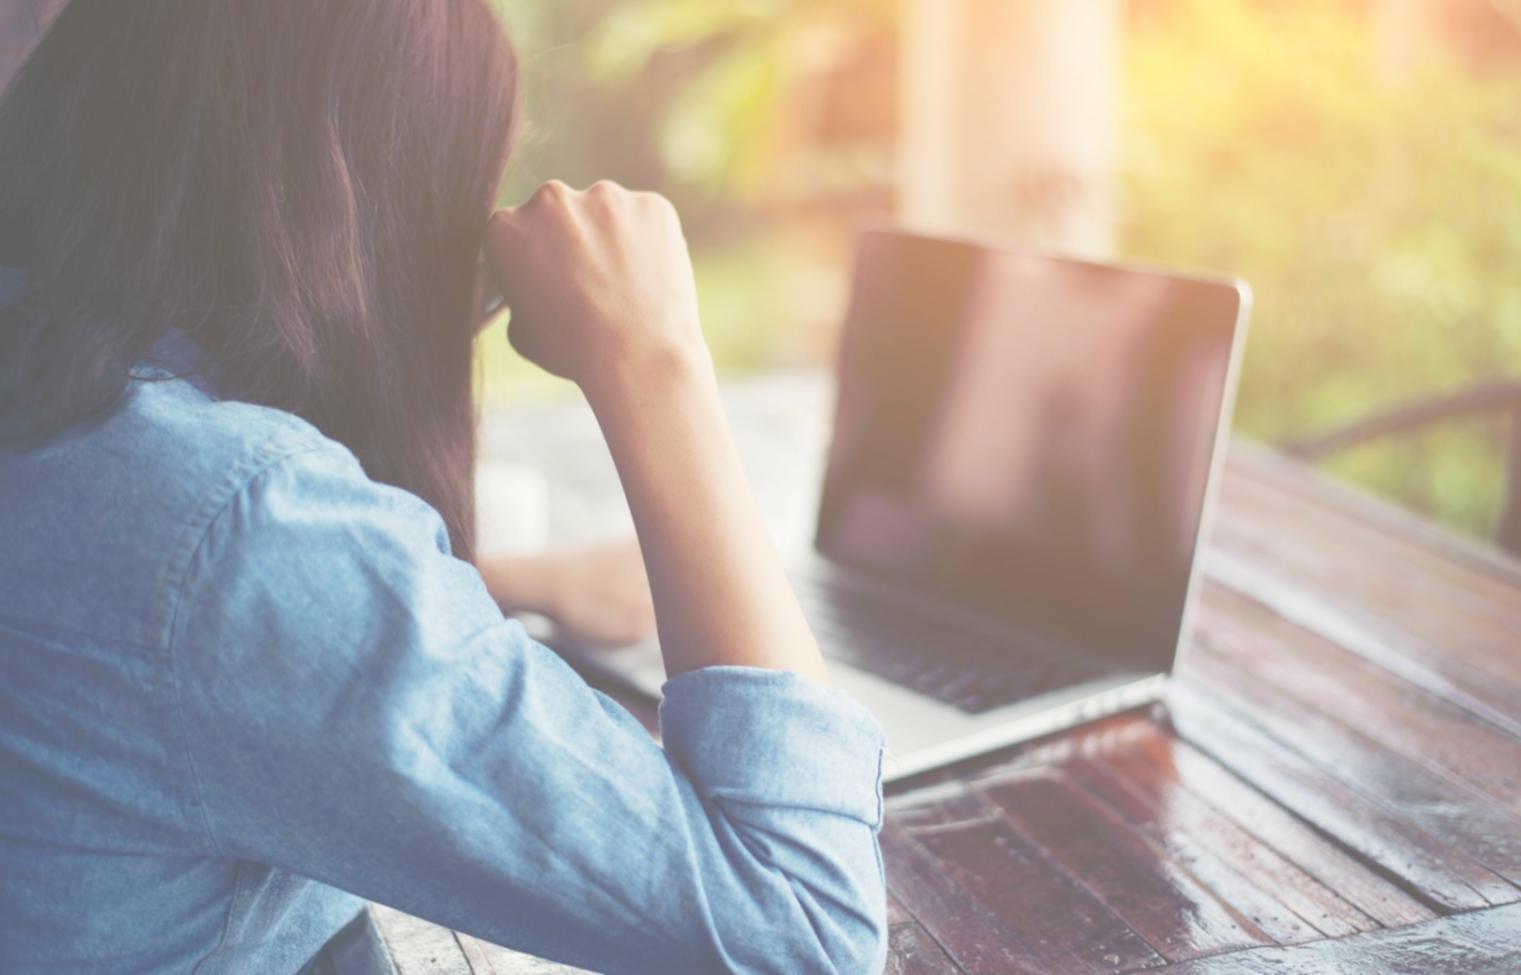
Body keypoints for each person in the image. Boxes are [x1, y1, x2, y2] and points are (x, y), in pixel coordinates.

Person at [0, 3, 887, 974]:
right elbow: (804, 926)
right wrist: (655, 354)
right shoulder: (237, 533)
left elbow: (124, 615)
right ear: (370, 205)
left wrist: (518, 578)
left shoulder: (66, 400)